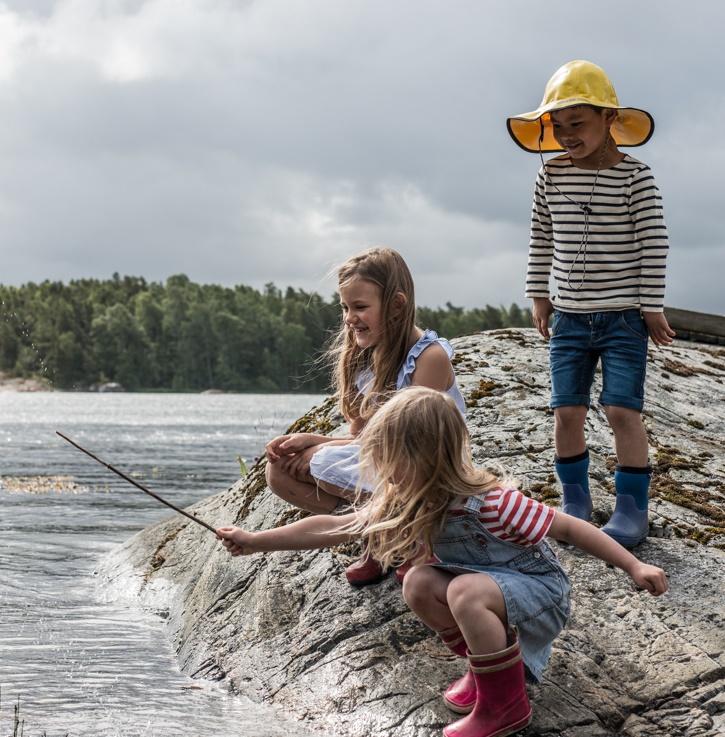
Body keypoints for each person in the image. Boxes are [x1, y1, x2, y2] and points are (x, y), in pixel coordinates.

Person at [217, 387, 668, 737]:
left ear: (426, 459)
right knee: (417, 582)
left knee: (462, 591)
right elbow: (331, 528)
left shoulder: (491, 501)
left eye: (390, 462)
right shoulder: (406, 498)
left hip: (537, 594)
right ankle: (487, 669)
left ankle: (504, 705)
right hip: (486, 589)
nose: (381, 474)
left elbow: (570, 528)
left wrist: (633, 566)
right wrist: (257, 541)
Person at [506, 59, 676, 548]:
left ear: (608, 119)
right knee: (567, 412)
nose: (565, 135)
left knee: (622, 410)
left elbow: (653, 242)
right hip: (571, 319)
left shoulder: (635, 178)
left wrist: (650, 306)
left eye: (576, 124)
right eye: (557, 127)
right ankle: (575, 503)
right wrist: (538, 294)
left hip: (624, 318)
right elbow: (541, 238)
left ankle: (631, 508)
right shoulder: (551, 177)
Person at [264, 247, 466, 585]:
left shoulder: (429, 358)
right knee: (279, 469)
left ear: (396, 306)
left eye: (359, 307)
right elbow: (363, 436)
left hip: (426, 470)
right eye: (345, 307)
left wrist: (324, 453)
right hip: (387, 460)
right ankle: (380, 534)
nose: (349, 318)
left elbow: (411, 443)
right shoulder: (362, 358)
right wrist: (315, 442)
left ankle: (409, 535)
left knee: (373, 467)